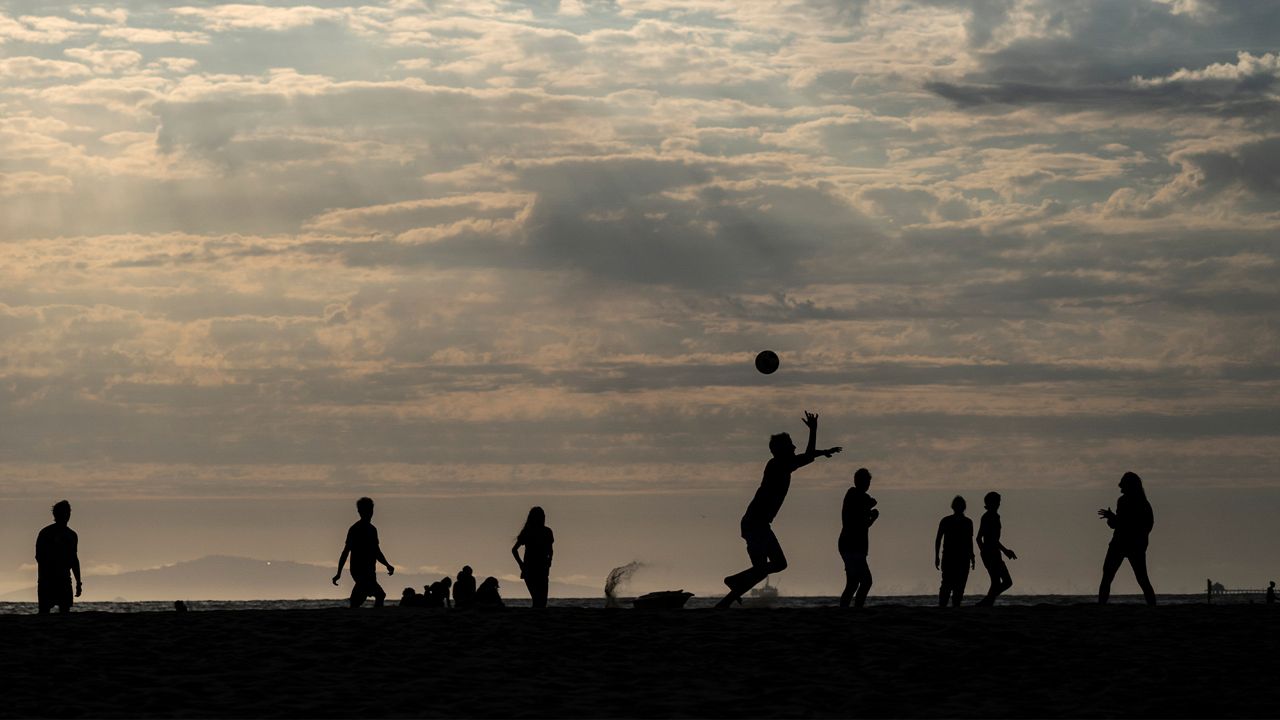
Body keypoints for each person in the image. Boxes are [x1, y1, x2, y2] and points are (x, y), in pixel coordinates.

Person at [717, 411, 842, 608]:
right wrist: (814, 431)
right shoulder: (778, 465)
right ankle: (732, 580)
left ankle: (724, 603)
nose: (794, 447)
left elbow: (805, 456)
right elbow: (806, 457)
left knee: (760, 570)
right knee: (777, 564)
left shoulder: (780, 463)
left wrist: (823, 451)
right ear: (781, 450)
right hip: (756, 523)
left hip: (754, 522)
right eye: (791, 445)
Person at [1097, 471, 1156, 606]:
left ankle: (1101, 606)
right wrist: (1112, 519)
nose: (1121, 489)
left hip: (1123, 544)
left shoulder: (1130, 502)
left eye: (1123, 486)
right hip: (1130, 545)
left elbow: (1122, 523)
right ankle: (1152, 607)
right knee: (1141, 579)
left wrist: (1112, 518)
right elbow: (1120, 524)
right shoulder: (1142, 503)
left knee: (1108, 577)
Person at [332, 497, 395, 608]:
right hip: (358, 570)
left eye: (370, 510)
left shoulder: (372, 530)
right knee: (379, 594)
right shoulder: (354, 529)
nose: (369, 513)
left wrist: (387, 564)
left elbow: (376, 552)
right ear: (359, 512)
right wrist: (339, 573)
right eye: (366, 510)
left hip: (370, 570)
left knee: (361, 597)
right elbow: (345, 552)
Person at [838, 468, 879, 609]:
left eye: (867, 482)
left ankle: (847, 608)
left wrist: (872, 517)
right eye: (865, 481)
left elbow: (864, 524)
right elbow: (858, 519)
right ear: (857, 481)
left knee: (853, 582)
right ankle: (856, 608)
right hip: (851, 545)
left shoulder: (860, 498)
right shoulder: (853, 494)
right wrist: (871, 509)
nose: (866, 485)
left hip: (854, 545)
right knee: (865, 581)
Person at [35, 500, 82, 614]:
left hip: (63, 580)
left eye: (67, 512)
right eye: (63, 513)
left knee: (64, 611)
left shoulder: (71, 535)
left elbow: (74, 560)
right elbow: (39, 557)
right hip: (47, 580)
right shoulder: (46, 533)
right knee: (45, 612)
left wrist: (78, 582)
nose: (66, 515)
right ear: (56, 515)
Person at [975, 491, 1017, 607]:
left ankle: (987, 602)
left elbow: (986, 539)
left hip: (995, 553)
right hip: (991, 553)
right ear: (991, 503)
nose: (998, 504)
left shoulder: (995, 517)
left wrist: (1004, 551)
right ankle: (987, 603)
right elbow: (980, 538)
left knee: (1005, 582)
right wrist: (984, 551)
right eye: (996, 502)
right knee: (997, 582)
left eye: (999, 502)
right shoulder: (987, 517)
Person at [935, 496, 974, 607]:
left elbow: (969, 541)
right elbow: (938, 539)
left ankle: (946, 606)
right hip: (954, 557)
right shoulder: (965, 522)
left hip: (955, 557)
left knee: (951, 585)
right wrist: (936, 556)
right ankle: (949, 606)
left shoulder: (950, 521)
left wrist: (972, 556)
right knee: (954, 585)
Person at [511, 507, 554, 608]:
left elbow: (550, 550)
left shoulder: (544, 531)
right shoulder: (530, 532)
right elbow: (514, 550)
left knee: (540, 600)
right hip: (532, 568)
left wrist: (549, 561)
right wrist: (521, 565)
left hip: (540, 567)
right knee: (539, 599)